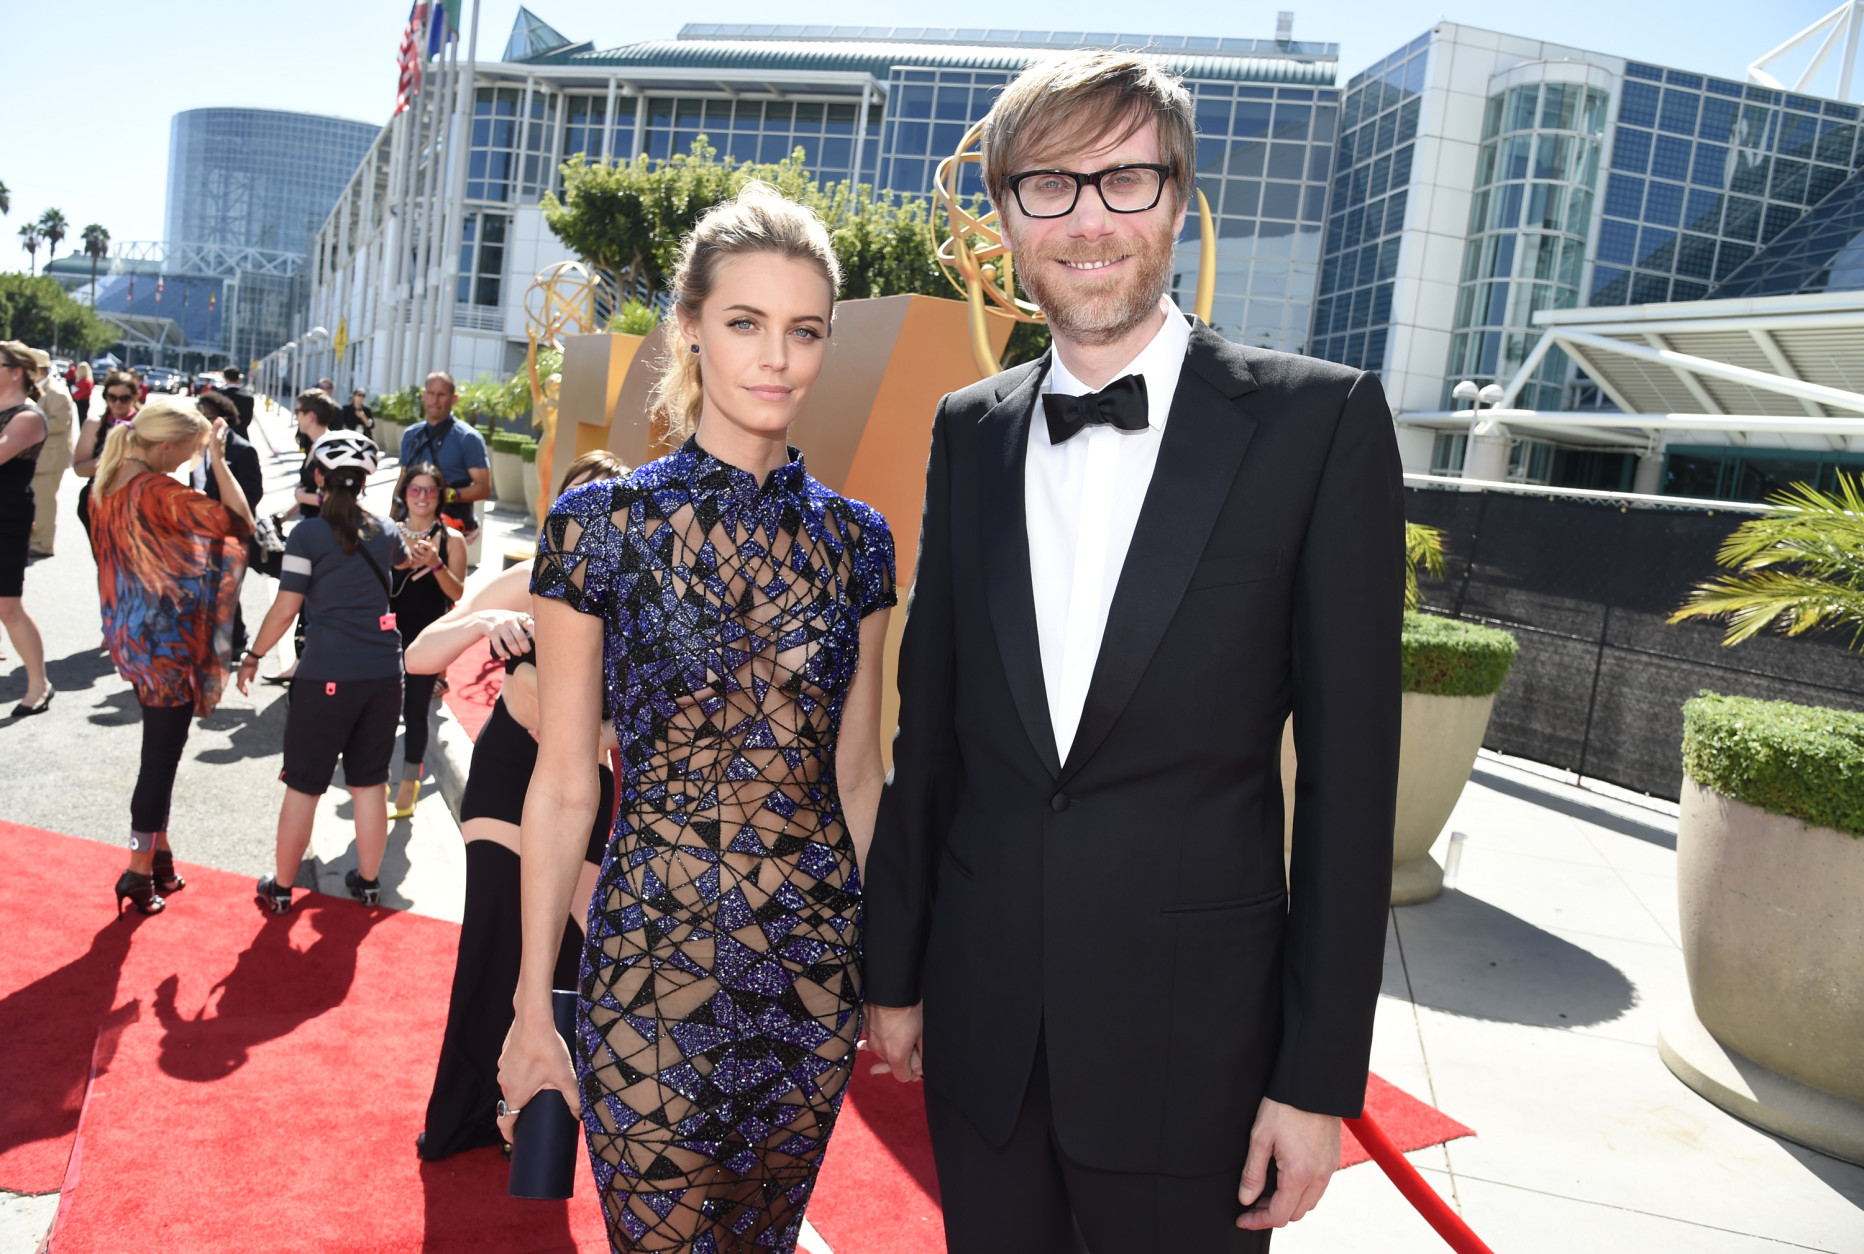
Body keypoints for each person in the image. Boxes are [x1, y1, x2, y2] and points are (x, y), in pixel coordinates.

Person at [861, 52, 1405, 1254]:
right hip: (982, 1034)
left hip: (1196, 1059)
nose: (1089, 220)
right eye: (1049, 187)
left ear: (1176, 200)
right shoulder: (970, 430)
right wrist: (891, 971)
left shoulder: (1319, 424)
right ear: (1002, 216)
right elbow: (932, 727)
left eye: (1127, 181)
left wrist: (1317, 1082)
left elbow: (1352, 790)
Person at [496, 184, 896, 1252]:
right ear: (688, 328)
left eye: (802, 330)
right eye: (744, 323)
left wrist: (894, 975)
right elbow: (566, 781)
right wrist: (535, 1003)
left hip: (813, 973)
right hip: (650, 963)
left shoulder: (858, 544)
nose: (776, 358)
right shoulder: (600, 529)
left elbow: (858, 776)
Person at [410, 449, 628, 1162]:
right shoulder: (531, 577)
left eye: (610, 500)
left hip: (584, 789)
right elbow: (418, 655)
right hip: (508, 776)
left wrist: (603, 727)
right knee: (494, 944)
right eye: (580, 498)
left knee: (573, 953)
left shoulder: (645, 601)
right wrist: (482, 626)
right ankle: (466, 1115)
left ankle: (535, 1120)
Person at [237, 430, 416, 914]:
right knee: (369, 784)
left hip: (326, 676)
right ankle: (371, 883)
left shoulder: (307, 534)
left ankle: (280, 888)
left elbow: (286, 606)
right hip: (383, 675)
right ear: (364, 481)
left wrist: (253, 654)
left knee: (305, 785)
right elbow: (403, 560)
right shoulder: (384, 529)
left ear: (318, 476)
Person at [89, 395, 253, 914]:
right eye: (187, 452)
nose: (188, 462)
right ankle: (137, 872)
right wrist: (222, 465)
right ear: (164, 445)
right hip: (168, 643)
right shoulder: (159, 491)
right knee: (159, 760)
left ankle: (158, 856)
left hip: (130, 635)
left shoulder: (106, 483)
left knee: (158, 754)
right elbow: (240, 523)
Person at [384, 461, 466, 818]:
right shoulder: (385, 533)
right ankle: (373, 777)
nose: (422, 496)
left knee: (415, 709)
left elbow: (457, 591)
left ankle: (407, 787)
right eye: (415, 488)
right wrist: (399, 565)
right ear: (405, 493)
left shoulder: (453, 539)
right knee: (382, 709)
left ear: (440, 496)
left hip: (428, 639)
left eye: (430, 490)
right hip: (384, 635)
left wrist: (435, 563)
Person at [193, 390, 266, 656]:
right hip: (201, 530)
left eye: (208, 417)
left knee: (226, 587)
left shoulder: (242, 451)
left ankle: (233, 642)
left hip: (231, 531)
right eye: (198, 416)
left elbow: (252, 495)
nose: (202, 422)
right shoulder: (194, 447)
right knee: (208, 585)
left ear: (223, 420)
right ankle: (231, 637)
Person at [0, 343, 51, 717]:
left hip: (7, 517)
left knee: (7, 606)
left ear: (16, 371)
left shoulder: (27, 417)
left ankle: (39, 684)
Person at [397, 373, 489, 544]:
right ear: (424, 395)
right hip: (410, 525)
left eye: (441, 395)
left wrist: (445, 495)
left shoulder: (468, 438)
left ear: (453, 398)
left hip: (450, 528)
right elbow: (403, 478)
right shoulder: (410, 435)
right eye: (431, 393)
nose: (434, 400)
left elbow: (484, 488)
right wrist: (391, 521)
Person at [73, 369, 141, 547]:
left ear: (134, 397)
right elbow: (79, 468)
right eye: (112, 397)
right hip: (99, 497)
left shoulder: (143, 425)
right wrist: (110, 459)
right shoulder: (95, 424)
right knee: (105, 561)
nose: (118, 403)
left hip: (135, 500)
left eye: (124, 398)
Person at [27, 349, 75, 559]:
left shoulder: (56, 392)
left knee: (44, 502)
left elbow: (60, 423)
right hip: (41, 457)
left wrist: (29, 423)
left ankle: (43, 543)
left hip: (50, 458)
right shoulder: (41, 388)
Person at [218, 366, 255, 438]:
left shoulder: (218, 396)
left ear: (226, 379)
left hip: (221, 436)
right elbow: (247, 421)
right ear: (238, 378)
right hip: (241, 437)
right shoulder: (248, 398)